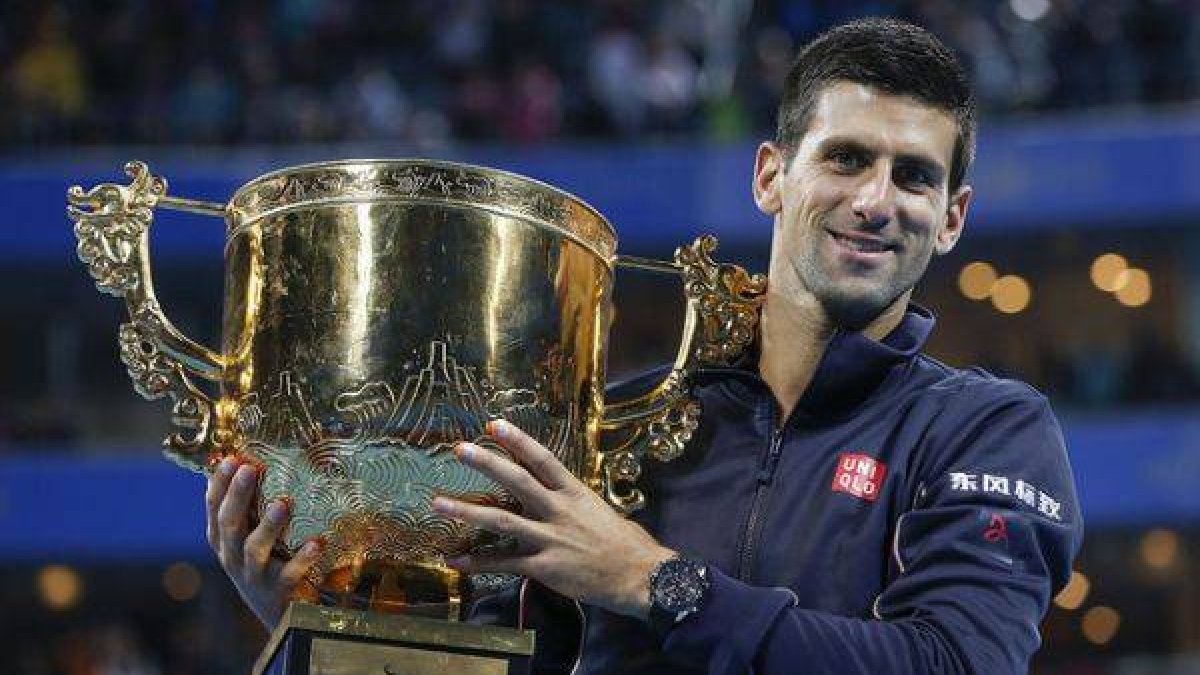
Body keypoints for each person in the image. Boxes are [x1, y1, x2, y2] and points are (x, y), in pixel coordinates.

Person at [206, 17, 1082, 674]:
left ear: (953, 218)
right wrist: (325, 624)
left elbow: (956, 663)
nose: (876, 200)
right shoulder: (619, 424)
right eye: (846, 159)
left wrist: (654, 581)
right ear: (772, 175)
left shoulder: (986, 430)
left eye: (915, 176)